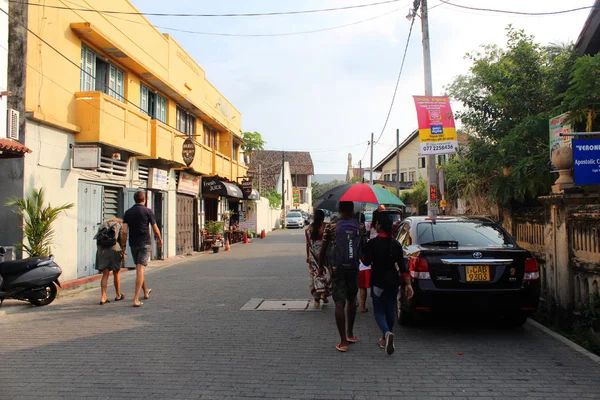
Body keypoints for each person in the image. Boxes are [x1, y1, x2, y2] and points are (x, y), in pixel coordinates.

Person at [363, 212, 414, 355]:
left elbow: (366, 262)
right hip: (393, 282)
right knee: (390, 309)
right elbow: (403, 268)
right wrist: (408, 285)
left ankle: (386, 333)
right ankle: (387, 336)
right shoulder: (396, 244)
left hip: (378, 281)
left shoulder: (372, 244)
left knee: (379, 310)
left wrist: (363, 249)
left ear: (378, 225)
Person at [321, 201, 362, 352]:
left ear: (339, 210)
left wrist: (320, 266)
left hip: (337, 268)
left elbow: (324, 249)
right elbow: (362, 247)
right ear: (352, 210)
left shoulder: (331, 226)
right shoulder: (360, 226)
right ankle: (350, 334)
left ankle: (343, 342)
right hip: (353, 267)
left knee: (339, 302)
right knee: (352, 299)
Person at [121, 190, 163, 307]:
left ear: (135, 199)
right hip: (145, 244)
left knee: (139, 268)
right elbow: (155, 228)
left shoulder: (128, 213)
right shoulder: (148, 211)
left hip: (133, 244)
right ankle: (135, 299)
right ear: (144, 199)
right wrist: (159, 239)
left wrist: (123, 246)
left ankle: (145, 291)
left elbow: (124, 232)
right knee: (140, 270)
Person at [94, 218, 126, 305]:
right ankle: (118, 295)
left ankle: (103, 297)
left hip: (102, 249)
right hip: (114, 248)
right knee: (116, 272)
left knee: (105, 274)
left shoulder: (102, 225)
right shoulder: (119, 224)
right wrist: (123, 252)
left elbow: (98, 240)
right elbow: (122, 238)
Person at [305, 209, 331, 307]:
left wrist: (308, 256)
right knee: (326, 276)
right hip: (325, 256)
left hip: (313, 257)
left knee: (315, 277)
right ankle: (324, 295)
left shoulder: (309, 229)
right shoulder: (326, 227)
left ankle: (316, 299)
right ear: (323, 217)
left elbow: (307, 244)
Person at [357, 212, 371, 313]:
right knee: (362, 286)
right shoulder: (363, 231)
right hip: (362, 262)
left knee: (352, 284)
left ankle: (354, 301)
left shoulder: (349, 230)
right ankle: (362, 306)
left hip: (351, 260)